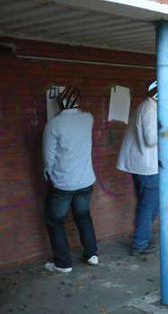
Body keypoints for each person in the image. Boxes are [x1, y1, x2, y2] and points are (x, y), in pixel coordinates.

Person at [43, 86, 98, 273]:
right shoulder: (88, 118)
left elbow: (48, 157)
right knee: (83, 217)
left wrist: (48, 173)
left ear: (60, 102)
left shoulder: (53, 124)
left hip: (64, 182)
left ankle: (63, 263)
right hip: (86, 180)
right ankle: (92, 255)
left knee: (55, 220)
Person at [117, 81, 159, 256]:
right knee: (149, 206)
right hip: (146, 166)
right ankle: (140, 244)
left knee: (148, 204)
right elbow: (151, 139)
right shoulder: (149, 110)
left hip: (141, 165)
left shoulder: (146, 106)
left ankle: (142, 239)